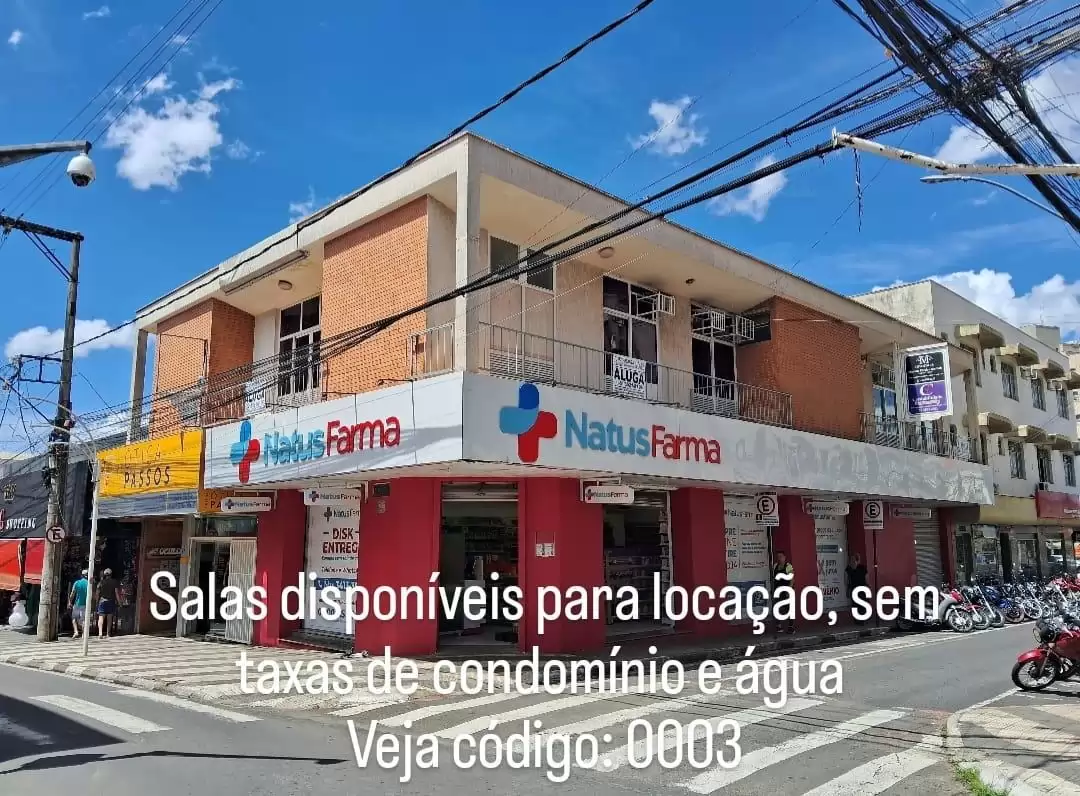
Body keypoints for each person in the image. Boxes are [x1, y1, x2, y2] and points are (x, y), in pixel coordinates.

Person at [772, 551, 795, 634]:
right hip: (777, 591)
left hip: (786, 591)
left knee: (788, 608)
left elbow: (792, 579)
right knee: (777, 608)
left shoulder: (788, 566)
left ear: (785, 557)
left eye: (781, 556)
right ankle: (779, 626)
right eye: (778, 556)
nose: (779, 558)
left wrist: (789, 589)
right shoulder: (775, 566)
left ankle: (791, 627)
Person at [96, 568, 120, 638]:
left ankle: (100, 633)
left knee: (101, 617)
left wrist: (97, 602)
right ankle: (108, 634)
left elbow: (97, 593)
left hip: (102, 602)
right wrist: (119, 602)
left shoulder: (101, 582)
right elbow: (116, 593)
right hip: (111, 602)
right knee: (109, 618)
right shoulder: (114, 582)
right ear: (111, 574)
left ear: (104, 575)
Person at [68, 569, 89, 638]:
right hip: (85, 604)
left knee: (74, 618)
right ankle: (83, 634)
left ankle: (76, 631)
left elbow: (72, 593)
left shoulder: (77, 583)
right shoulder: (89, 583)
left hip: (77, 604)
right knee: (83, 620)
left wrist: (70, 602)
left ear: (81, 575)